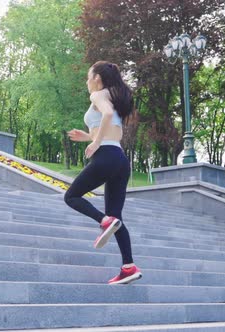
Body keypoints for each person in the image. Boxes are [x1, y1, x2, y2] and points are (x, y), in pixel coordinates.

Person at [64, 61, 142, 285]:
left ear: (97, 78)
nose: (87, 81)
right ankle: (128, 267)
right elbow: (113, 130)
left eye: (89, 77)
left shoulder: (98, 95)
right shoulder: (115, 95)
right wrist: (88, 136)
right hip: (119, 159)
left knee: (71, 196)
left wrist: (95, 143)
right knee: (116, 217)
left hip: (106, 155)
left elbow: (105, 116)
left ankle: (103, 221)